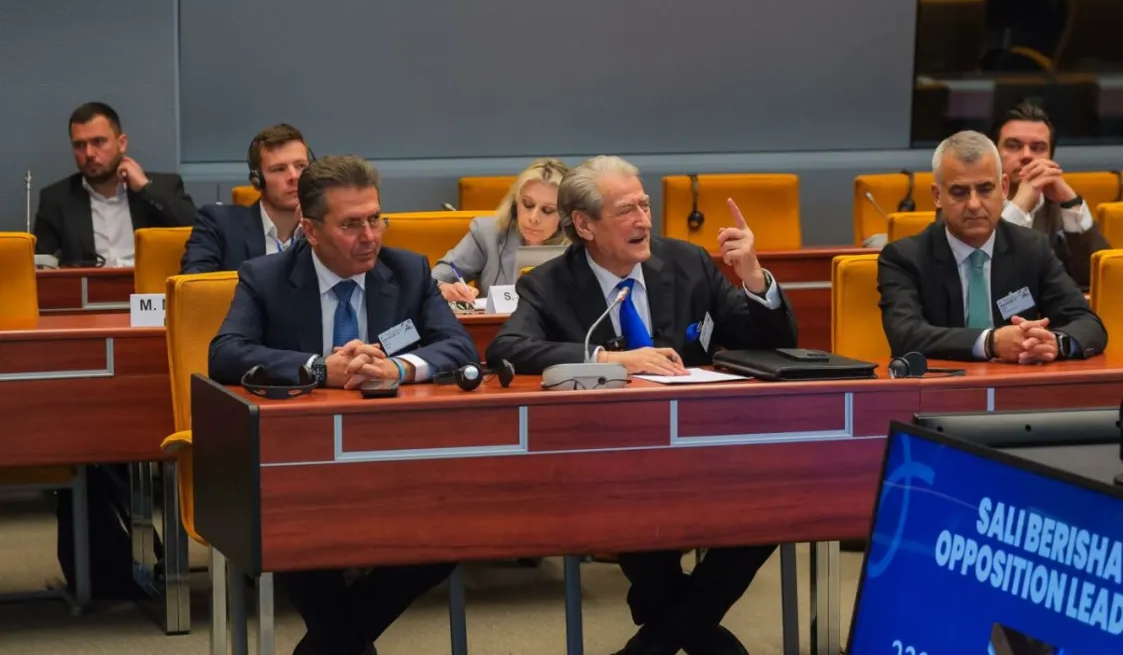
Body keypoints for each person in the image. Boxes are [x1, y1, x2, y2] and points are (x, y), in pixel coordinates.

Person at [486, 156, 797, 655]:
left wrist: (754, 278)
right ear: (584, 224)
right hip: (612, 463)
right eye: (626, 210)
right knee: (639, 534)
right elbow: (508, 348)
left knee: (772, 511)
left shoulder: (688, 263)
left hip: (703, 448)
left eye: (645, 206)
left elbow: (771, 344)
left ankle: (655, 638)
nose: (644, 220)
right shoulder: (548, 283)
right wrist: (609, 358)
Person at [209, 155, 478, 655]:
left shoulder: (408, 270)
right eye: (351, 224)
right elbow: (225, 353)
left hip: (396, 458)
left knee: (451, 531)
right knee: (293, 529)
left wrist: (398, 368)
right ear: (311, 230)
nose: (370, 236)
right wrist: (318, 368)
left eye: (376, 219)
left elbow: (460, 348)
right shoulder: (265, 277)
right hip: (302, 465)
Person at [877, 131, 1107, 364]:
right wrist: (990, 343)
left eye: (985, 189)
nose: (974, 204)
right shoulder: (904, 258)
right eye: (959, 192)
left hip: (1017, 381)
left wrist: (1055, 343)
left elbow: (1088, 323)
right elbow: (905, 335)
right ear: (937, 196)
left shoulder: (1032, 248)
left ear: (1004, 188)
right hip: (942, 383)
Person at [33, 102, 196, 266]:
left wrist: (146, 188)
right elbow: (41, 265)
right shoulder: (56, 199)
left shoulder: (164, 186)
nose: (89, 153)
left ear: (122, 143)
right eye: (79, 145)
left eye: (98, 141)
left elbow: (198, 234)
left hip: (147, 282)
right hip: (88, 283)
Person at [994, 101, 1108, 288]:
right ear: (994, 154)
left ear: (1050, 158)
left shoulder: (1061, 207)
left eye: (1038, 148)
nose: (1026, 155)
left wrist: (1071, 203)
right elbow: (981, 272)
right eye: (1013, 146)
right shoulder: (971, 202)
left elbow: (1099, 278)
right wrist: (1019, 207)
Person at [432, 158, 568, 301]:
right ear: (515, 205)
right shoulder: (487, 234)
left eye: (547, 210)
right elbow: (434, 280)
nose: (533, 218)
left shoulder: (578, 246)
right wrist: (445, 289)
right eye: (528, 204)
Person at [181, 123, 310, 273]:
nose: (294, 176)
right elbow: (194, 282)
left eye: (301, 166)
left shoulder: (324, 229)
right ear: (257, 181)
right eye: (279, 169)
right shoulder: (219, 225)